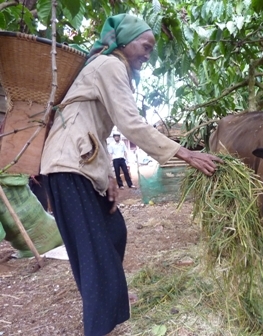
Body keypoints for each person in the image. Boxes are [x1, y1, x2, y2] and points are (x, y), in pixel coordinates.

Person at [40, 13, 222, 336]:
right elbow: (130, 123)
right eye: (145, 45)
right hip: (67, 167)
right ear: (124, 42)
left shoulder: (111, 68)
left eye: (152, 48)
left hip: (79, 165)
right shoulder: (110, 65)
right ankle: (99, 322)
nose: (149, 53)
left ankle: (108, 296)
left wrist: (109, 174)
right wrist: (185, 153)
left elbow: (99, 126)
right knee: (96, 254)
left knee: (114, 232)